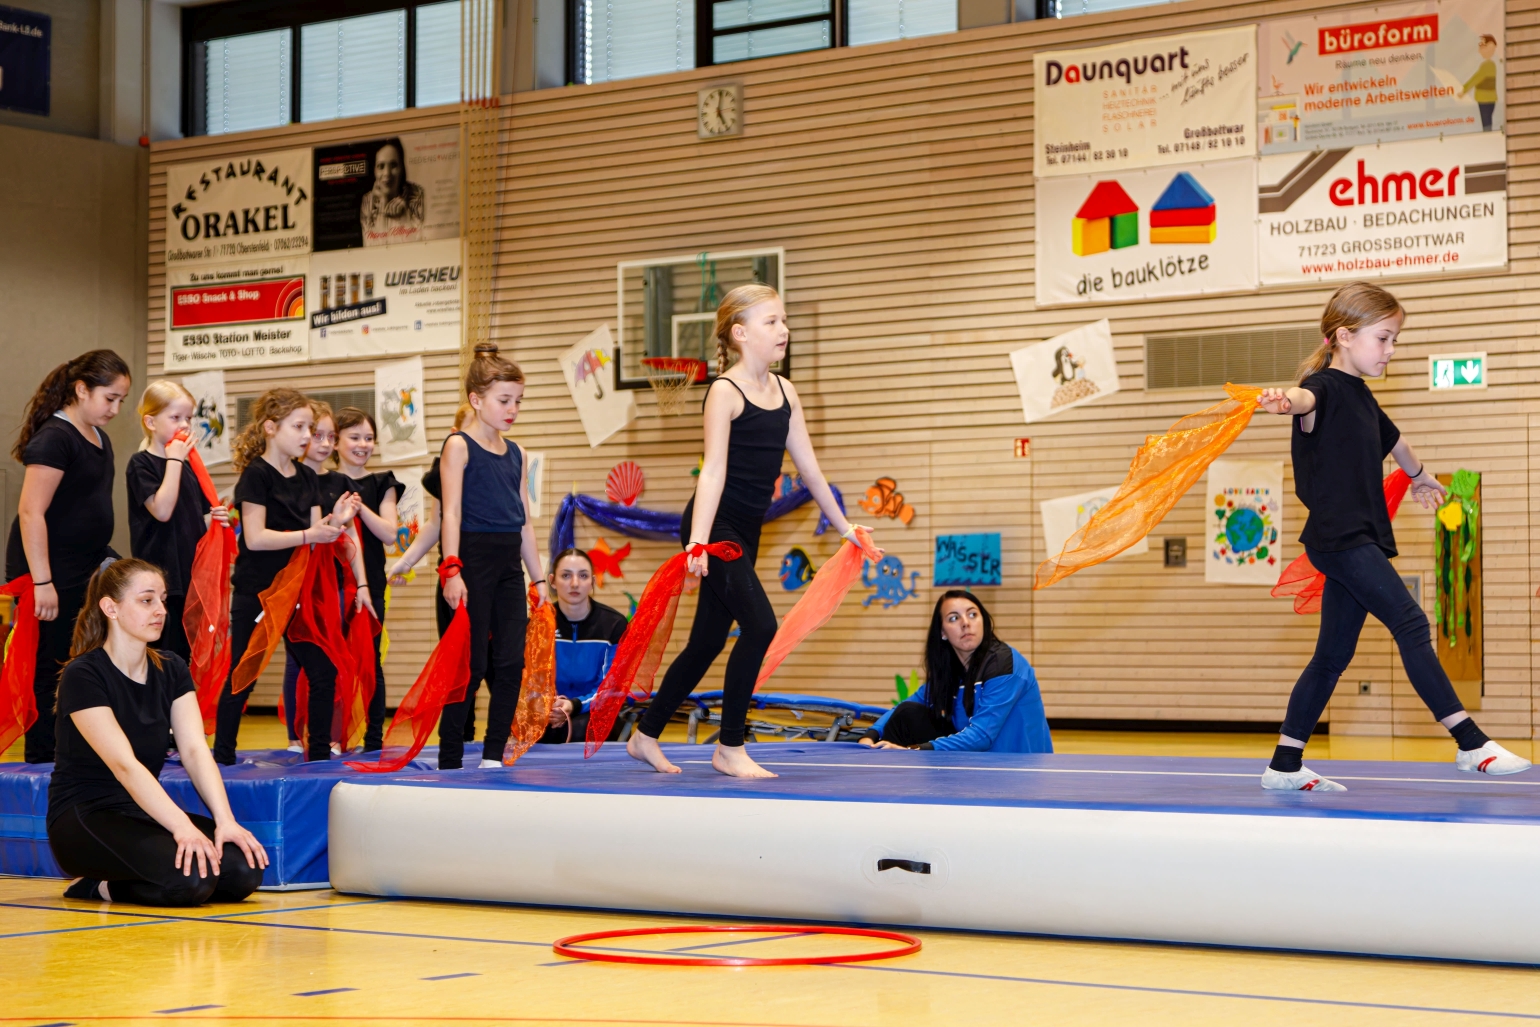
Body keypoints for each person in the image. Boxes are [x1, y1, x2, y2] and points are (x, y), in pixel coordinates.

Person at [1257, 282, 1528, 790]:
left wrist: (1421, 476)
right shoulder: (1323, 387)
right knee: (1410, 622)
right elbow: (1301, 399)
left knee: (1331, 657)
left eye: (1395, 340)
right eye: (1383, 338)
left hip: (1355, 538)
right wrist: (1281, 399)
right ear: (1344, 336)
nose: (1391, 350)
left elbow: (1396, 442)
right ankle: (1470, 742)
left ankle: (1284, 764)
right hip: (1341, 538)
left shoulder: (1362, 396)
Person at [630, 284, 875, 779]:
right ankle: (729, 746)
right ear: (740, 334)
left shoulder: (786, 392)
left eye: (784, 320)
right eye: (772, 322)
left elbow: (810, 469)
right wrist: (698, 542)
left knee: (706, 642)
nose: (784, 329)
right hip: (714, 524)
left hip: (745, 530)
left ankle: (644, 734)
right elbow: (713, 472)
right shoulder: (726, 391)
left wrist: (844, 525)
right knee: (761, 626)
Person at [47, 558, 267, 906]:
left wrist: (225, 821)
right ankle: (96, 886)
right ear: (111, 608)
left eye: (162, 600)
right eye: (146, 600)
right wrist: (181, 827)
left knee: (242, 871)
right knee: (191, 880)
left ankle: (133, 874)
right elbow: (125, 766)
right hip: (85, 817)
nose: (161, 610)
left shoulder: (172, 668)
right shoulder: (84, 675)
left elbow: (194, 750)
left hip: (140, 811)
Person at [212, 389, 365, 765]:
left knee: (322, 670)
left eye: (309, 428)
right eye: (298, 427)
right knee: (243, 674)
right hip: (258, 591)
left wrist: (336, 521)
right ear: (270, 428)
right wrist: (310, 534)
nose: (306, 436)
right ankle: (223, 757)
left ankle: (318, 756)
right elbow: (255, 538)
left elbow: (315, 535)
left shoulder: (306, 477)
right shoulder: (256, 475)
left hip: (297, 590)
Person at [7, 350, 132, 764]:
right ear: (81, 389)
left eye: (121, 401)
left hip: (87, 561)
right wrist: (43, 582)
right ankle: (43, 756)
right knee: (52, 659)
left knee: (89, 649)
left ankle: (85, 739)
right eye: (109, 398)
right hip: (51, 567)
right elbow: (31, 512)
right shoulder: (55, 438)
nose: (115, 409)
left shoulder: (98, 436)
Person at [437, 345, 546, 770]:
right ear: (477, 400)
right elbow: (451, 513)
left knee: (510, 663)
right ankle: (450, 758)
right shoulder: (458, 446)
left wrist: (539, 579)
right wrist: (451, 568)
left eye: (518, 400)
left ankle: (493, 754)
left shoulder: (517, 453)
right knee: (470, 664)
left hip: (508, 567)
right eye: (504, 400)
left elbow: (524, 521)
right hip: (472, 561)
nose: (513, 409)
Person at [389, 403, 486, 747]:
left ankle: (495, 737)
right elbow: (435, 523)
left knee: (493, 659)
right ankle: (459, 737)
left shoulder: (497, 465)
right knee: (459, 662)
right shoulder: (446, 470)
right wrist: (407, 560)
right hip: (454, 578)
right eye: (468, 429)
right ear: (454, 434)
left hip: (490, 576)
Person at [861, 590, 1051, 752]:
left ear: (983, 621)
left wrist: (915, 750)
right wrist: (871, 734)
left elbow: (982, 736)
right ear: (943, 632)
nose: (965, 623)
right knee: (907, 714)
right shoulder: (951, 672)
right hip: (979, 763)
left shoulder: (1004, 664)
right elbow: (905, 706)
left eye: (972, 614)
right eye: (954, 618)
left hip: (1019, 770)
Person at [125, 380, 230, 663]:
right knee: (163, 656)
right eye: (175, 417)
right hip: (162, 579)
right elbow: (162, 510)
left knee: (185, 658)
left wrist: (216, 518)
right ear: (151, 422)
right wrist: (174, 461)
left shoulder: (187, 466)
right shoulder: (141, 464)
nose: (184, 425)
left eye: (188, 418)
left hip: (190, 576)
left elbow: (197, 519)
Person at [280, 401, 349, 753]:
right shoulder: (289, 478)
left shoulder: (335, 482)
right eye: (314, 434)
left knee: (327, 661)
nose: (321, 442)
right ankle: (296, 735)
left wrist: (361, 582)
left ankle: (325, 735)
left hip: (328, 581)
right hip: (295, 580)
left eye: (329, 436)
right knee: (298, 660)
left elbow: (340, 536)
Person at [331, 407, 401, 753]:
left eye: (369, 438)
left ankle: (373, 738)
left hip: (370, 582)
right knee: (329, 660)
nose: (363, 444)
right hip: (331, 581)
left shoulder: (382, 482)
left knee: (369, 659)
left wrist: (361, 508)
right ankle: (329, 736)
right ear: (335, 442)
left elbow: (389, 534)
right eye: (354, 437)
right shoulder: (322, 482)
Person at [539, 549, 629, 744]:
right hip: (549, 711)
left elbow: (610, 688)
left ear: (592, 581)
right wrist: (552, 707)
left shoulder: (614, 624)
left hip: (593, 711)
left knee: (585, 729)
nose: (575, 583)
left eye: (583, 575)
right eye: (566, 575)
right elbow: (532, 681)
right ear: (552, 581)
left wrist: (573, 705)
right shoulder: (539, 624)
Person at [360, 140, 425, 246]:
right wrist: (383, 205)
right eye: (381, 166)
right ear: (374, 170)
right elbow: (372, 247)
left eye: (393, 165)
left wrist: (404, 218)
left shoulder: (417, 196)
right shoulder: (367, 201)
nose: (387, 173)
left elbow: (420, 245)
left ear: (402, 168)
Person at [1460, 35, 1499, 132]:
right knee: (1487, 122)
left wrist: (1464, 90)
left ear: (1490, 47)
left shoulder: (1487, 65)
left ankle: (1488, 137)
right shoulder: (1489, 64)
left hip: (1485, 99)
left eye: (1482, 46)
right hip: (1488, 98)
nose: (1479, 50)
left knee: (1486, 122)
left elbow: (1476, 79)